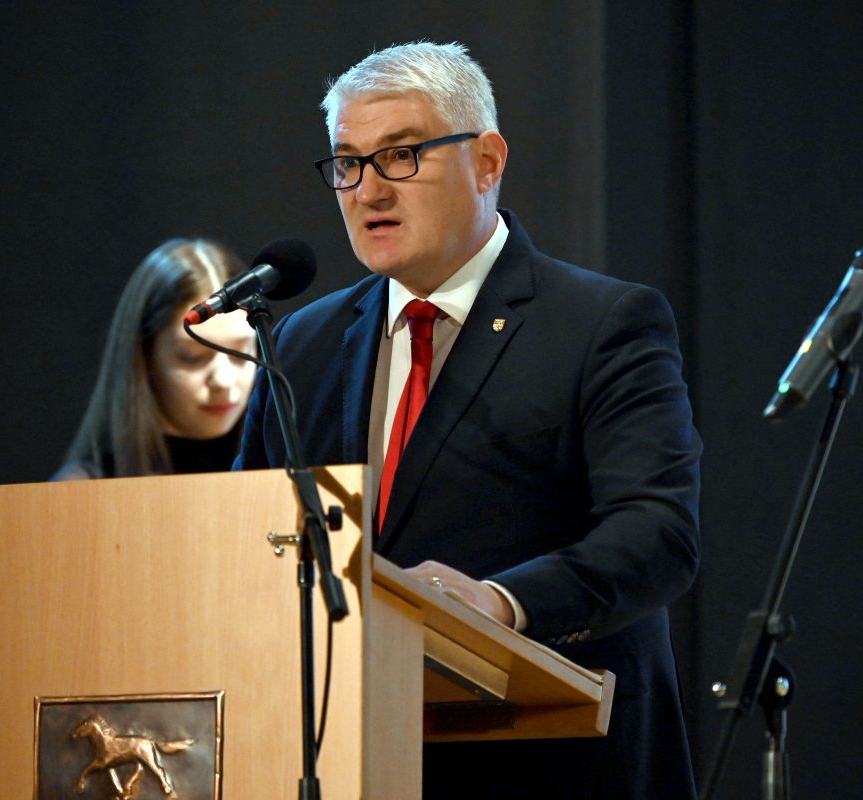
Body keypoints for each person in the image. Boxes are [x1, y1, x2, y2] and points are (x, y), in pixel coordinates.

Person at [234, 42, 701, 798]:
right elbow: (246, 542)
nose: (367, 190)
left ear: (486, 162)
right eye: (348, 163)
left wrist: (499, 603)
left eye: (401, 155)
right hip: (352, 758)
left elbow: (657, 534)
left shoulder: (602, 323)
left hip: (551, 762)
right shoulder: (301, 343)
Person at [55, 238, 257, 480]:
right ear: (145, 358)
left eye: (241, 353)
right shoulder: (82, 490)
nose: (224, 381)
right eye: (192, 357)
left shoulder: (284, 470)